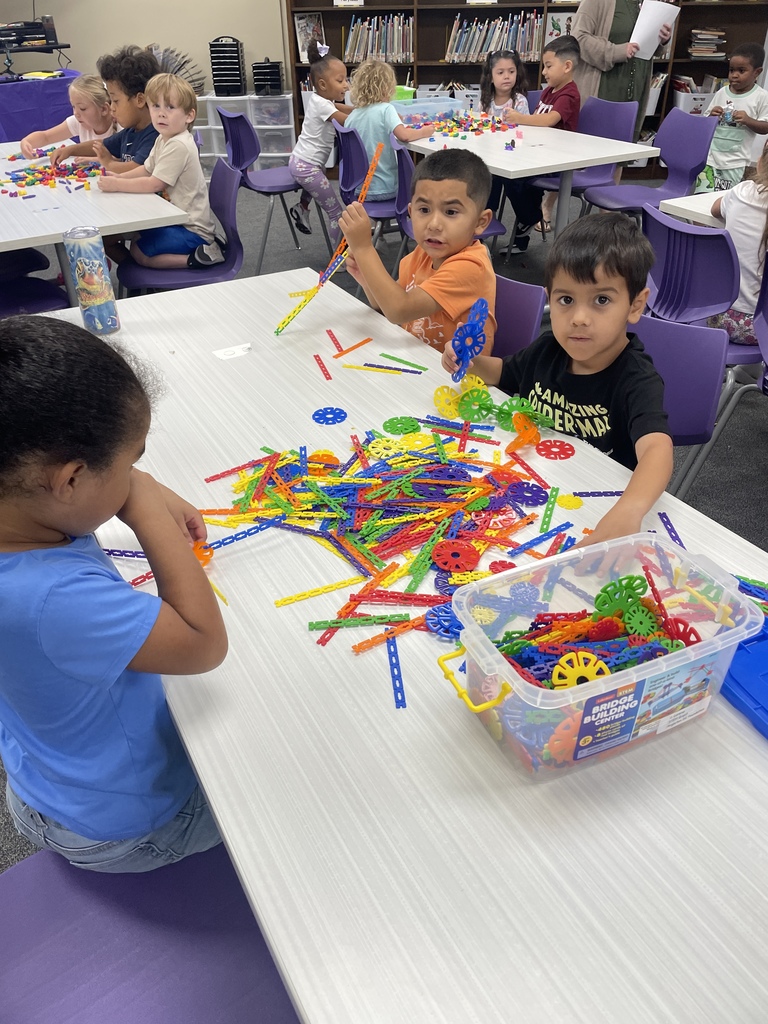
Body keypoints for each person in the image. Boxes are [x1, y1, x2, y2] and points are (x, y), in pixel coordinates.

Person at [0, 316, 228, 872]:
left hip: (44, 783)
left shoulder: (22, 516)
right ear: (70, 480)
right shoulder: (51, 600)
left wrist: (125, 482)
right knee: (281, 792)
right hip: (123, 826)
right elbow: (203, 644)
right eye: (132, 464)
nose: (137, 477)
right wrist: (144, 506)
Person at [441, 213, 673, 544]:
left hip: (596, 506)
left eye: (602, 300)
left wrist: (630, 509)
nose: (578, 318)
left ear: (635, 306)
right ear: (550, 297)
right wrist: (469, 361)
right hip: (533, 493)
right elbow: (504, 372)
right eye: (566, 300)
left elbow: (657, 448)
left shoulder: (636, 378)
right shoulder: (547, 349)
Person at [340, 148, 497, 353]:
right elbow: (387, 307)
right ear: (411, 212)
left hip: (451, 371)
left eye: (451, 212)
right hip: (417, 357)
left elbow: (399, 310)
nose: (434, 224)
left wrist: (363, 248)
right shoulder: (423, 253)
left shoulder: (470, 266)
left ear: (480, 222)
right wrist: (366, 280)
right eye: (424, 210)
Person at [97, 74, 224, 270]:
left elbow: (154, 183)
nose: (161, 114)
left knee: (139, 251)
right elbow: (146, 169)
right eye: (156, 106)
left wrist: (117, 184)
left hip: (190, 229)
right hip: (174, 218)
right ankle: (139, 275)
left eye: (170, 107)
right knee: (122, 236)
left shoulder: (178, 144)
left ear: (189, 116)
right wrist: (119, 177)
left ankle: (197, 259)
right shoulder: (163, 138)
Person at [498, 36, 581, 248]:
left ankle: (529, 218)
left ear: (567, 66)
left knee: (514, 179)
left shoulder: (569, 94)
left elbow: (549, 119)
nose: (544, 72)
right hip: (537, 154)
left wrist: (520, 118)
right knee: (501, 174)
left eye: (549, 66)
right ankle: (524, 222)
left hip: (555, 161)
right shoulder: (549, 90)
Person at [571, 0, 673, 142]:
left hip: (635, 93)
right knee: (594, 148)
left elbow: (649, 46)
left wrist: (663, 40)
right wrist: (615, 51)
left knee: (624, 151)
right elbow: (578, 38)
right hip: (603, 89)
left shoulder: (647, 2)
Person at [51, 45, 160, 175]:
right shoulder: (131, 131)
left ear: (140, 100)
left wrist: (108, 164)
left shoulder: (155, 135)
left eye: (116, 101)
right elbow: (101, 145)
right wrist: (70, 150)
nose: (112, 107)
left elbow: (137, 170)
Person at [288, 40, 352, 244]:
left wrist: (363, 109)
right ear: (323, 84)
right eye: (341, 80)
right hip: (307, 168)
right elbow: (347, 120)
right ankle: (339, 255)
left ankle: (302, 207)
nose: (346, 85)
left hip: (303, 162)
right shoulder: (323, 106)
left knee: (320, 175)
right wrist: (370, 116)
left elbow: (344, 109)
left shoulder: (322, 101)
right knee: (336, 213)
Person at [345, 58, 433, 202]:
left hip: (360, 191)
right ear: (387, 88)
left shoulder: (352, 116)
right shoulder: (386, 109)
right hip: (387, 188)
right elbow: (404, 136)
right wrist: (425, 131)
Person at [709, 139, 768, 345]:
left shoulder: (741, 192)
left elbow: (715, 209)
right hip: (761, 328)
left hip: (715, 315)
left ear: (759, 163)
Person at [695, 43, 768, 194]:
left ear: (757, 72)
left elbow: (765, 127)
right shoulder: (721, 92)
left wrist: (748, 120)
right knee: (701, 196)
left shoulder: (761, 97)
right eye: (731, 70)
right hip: (710, 159)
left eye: (741, 71)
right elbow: (705, 122)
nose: (734, 75)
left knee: (724, 199)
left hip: (735, 163)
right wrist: (712, 115)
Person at [479, 49, 532, 241]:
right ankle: (485, 221)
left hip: (513, 157)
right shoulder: (485, 101)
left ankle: (526, 223)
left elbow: (524, 132)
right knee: (485, 180)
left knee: (514, 186)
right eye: (500, 72)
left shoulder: (519, 101)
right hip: (490, 157)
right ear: (491, 76)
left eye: (511, 71)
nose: (507, 76)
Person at [20, 75, 114, 161]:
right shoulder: (78, 122)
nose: (76, 113)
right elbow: (46, 137)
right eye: (73, 107)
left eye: (82, 108)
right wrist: (27, 142)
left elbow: (120, 159)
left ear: (104, 109)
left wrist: (93, 160)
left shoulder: (119, 126)